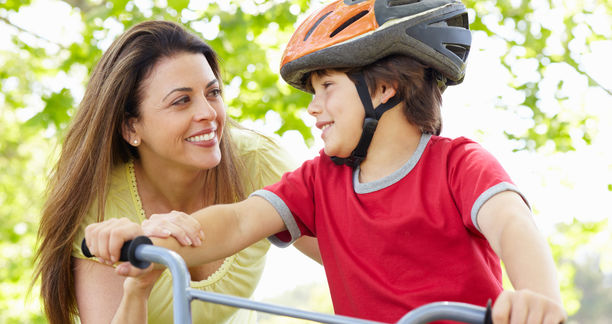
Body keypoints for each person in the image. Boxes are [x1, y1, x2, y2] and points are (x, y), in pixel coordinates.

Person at [84, 0, 568, 323]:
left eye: (327, 88)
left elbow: (512, 225)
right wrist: (147, 238)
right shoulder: (317, 181)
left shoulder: (458, 164)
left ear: (382, 88)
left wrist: (537, 300)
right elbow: (235, 222)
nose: (313, 108)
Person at [32, 20, 320, 324]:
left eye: (213, 93)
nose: (209, 113)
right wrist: (139, 286)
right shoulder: (101, 207)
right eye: (181, 101)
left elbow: (348, 256)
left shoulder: (259, 162)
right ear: (131, 126)